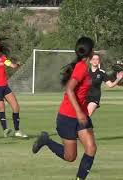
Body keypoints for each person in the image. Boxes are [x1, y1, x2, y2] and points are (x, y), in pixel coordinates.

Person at [32, 37, 96, 180]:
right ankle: (46, 140)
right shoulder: (81, 68)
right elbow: (69, 89)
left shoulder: (83, 67)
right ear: (91, 51)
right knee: (70, 157)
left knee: (91, 148)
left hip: (82, 117)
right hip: (67, 117)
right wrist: (79, 112)